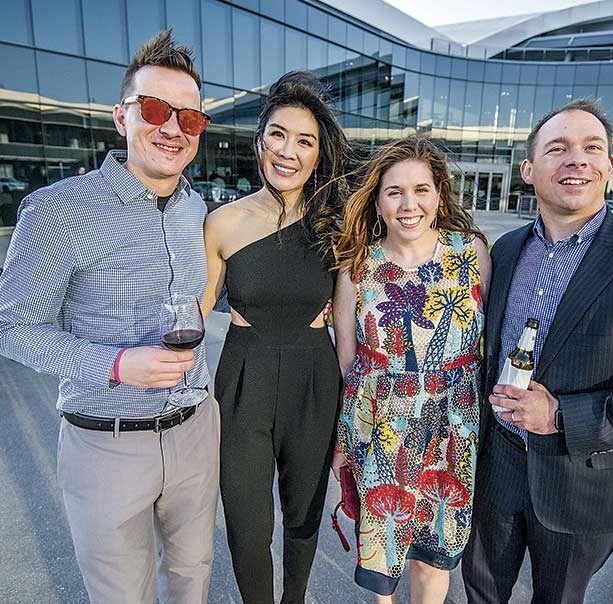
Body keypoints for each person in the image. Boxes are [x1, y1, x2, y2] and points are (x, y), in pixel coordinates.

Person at [0, 30, 219, 604]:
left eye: (189, 119)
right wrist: (118, 364)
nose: (172, 128)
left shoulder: (197, 208)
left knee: (194, 581)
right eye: (154, 109)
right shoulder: (55, 210)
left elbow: (209, 291)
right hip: (107, 442)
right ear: (120, 117)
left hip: (195, 431)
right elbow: (13, 328)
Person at [462, 98, 613, 604]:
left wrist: (562, 415)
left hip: (584, 478)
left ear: (610, 166)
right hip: (496, 464)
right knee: (480, 589)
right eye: (558, 148)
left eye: (592, 148)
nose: (577, 159)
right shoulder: (504, 251)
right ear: (529, 170)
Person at [201, 71, 350, 604]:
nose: (289, 151)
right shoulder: (220, 224)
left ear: (318, 154)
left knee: (303, 517)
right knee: (246, 524)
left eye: (304, 141)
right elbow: (192, 320)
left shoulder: (338, 224)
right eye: (278, 135)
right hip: (243, 380)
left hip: (315, 379)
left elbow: (351, 324)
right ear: (259, 140)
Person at [332, 136, 491, 603]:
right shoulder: (357, 265)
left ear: (439, 194)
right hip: (382, 429)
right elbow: (348, 363)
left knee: (432, 557)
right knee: (385, 562)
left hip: (451, 427)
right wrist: (347, 444)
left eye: (421, 189)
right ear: (377, 201)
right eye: (394, 191)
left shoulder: (472, 253)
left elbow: (490, 338)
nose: (409, 204)